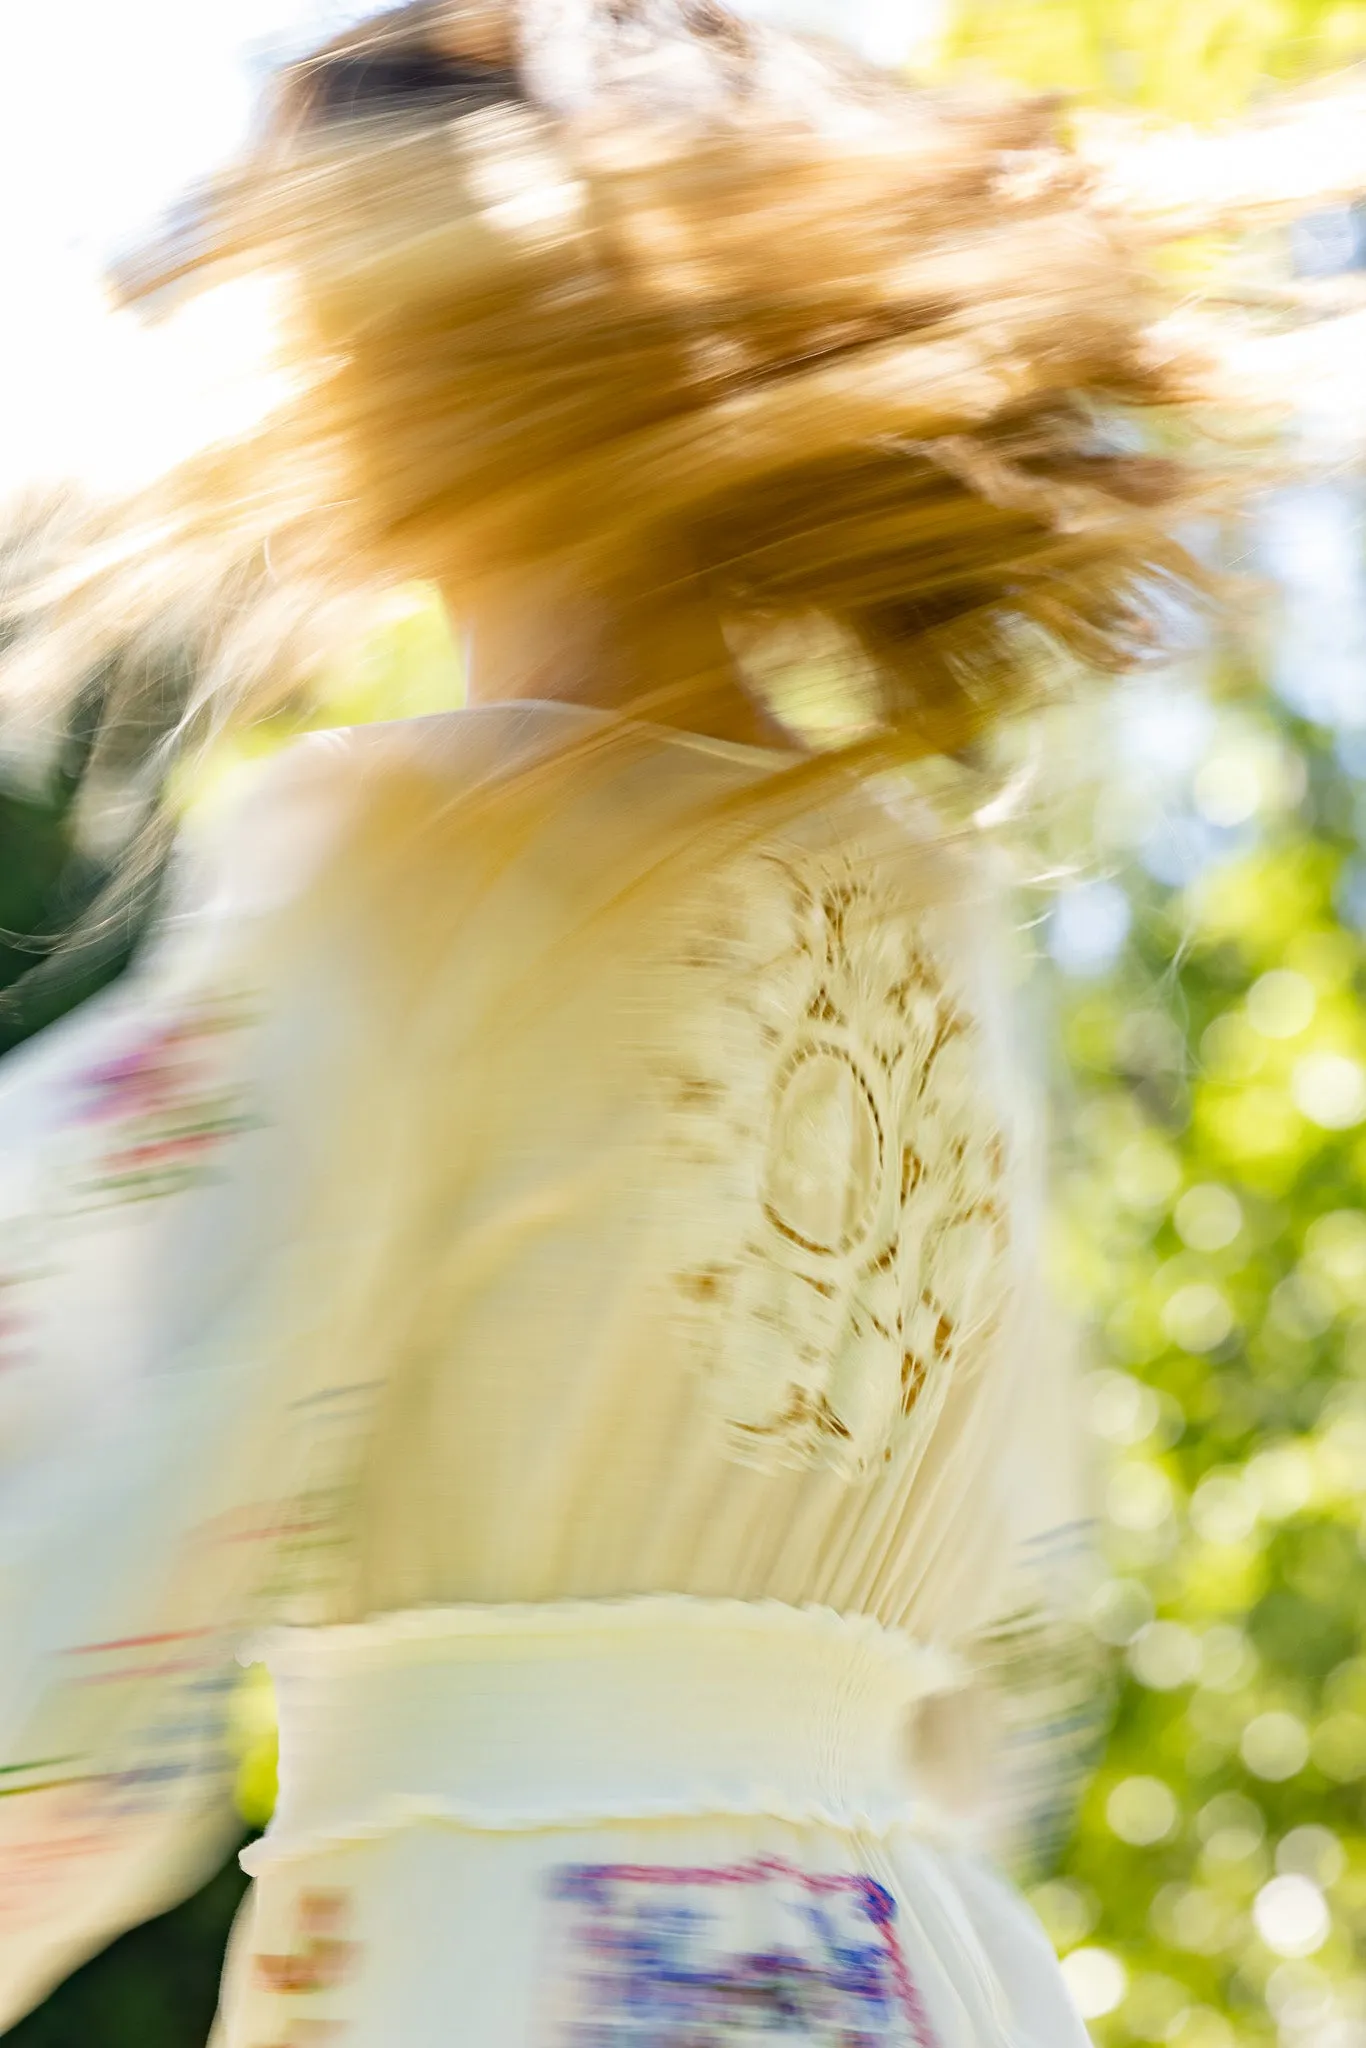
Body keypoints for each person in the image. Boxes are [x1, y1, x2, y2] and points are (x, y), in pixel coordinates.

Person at [0, 3, 1344, 2042]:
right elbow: (999, 1632)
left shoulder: (390, 854)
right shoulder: (930, 895)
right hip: (915, 1969)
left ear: (389, 358)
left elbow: (86, 1513)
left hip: (502, 1949)